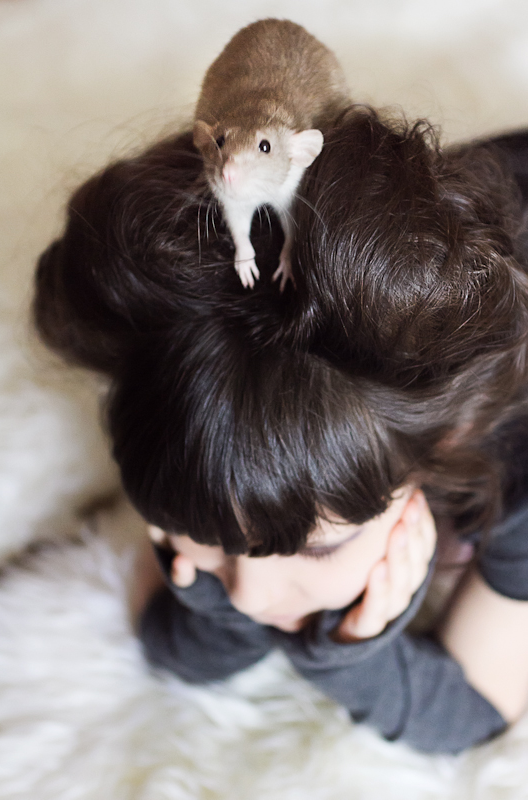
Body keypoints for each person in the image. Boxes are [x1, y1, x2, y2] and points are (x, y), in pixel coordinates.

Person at [33, 105, 528, 753]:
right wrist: (217, 604)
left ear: (443, 445)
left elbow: (474, 709)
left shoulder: (511, 464)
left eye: (320, 549)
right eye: (210, 536)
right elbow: (176, 648)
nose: (250, 598)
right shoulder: (205, 387)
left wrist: (353, 649)